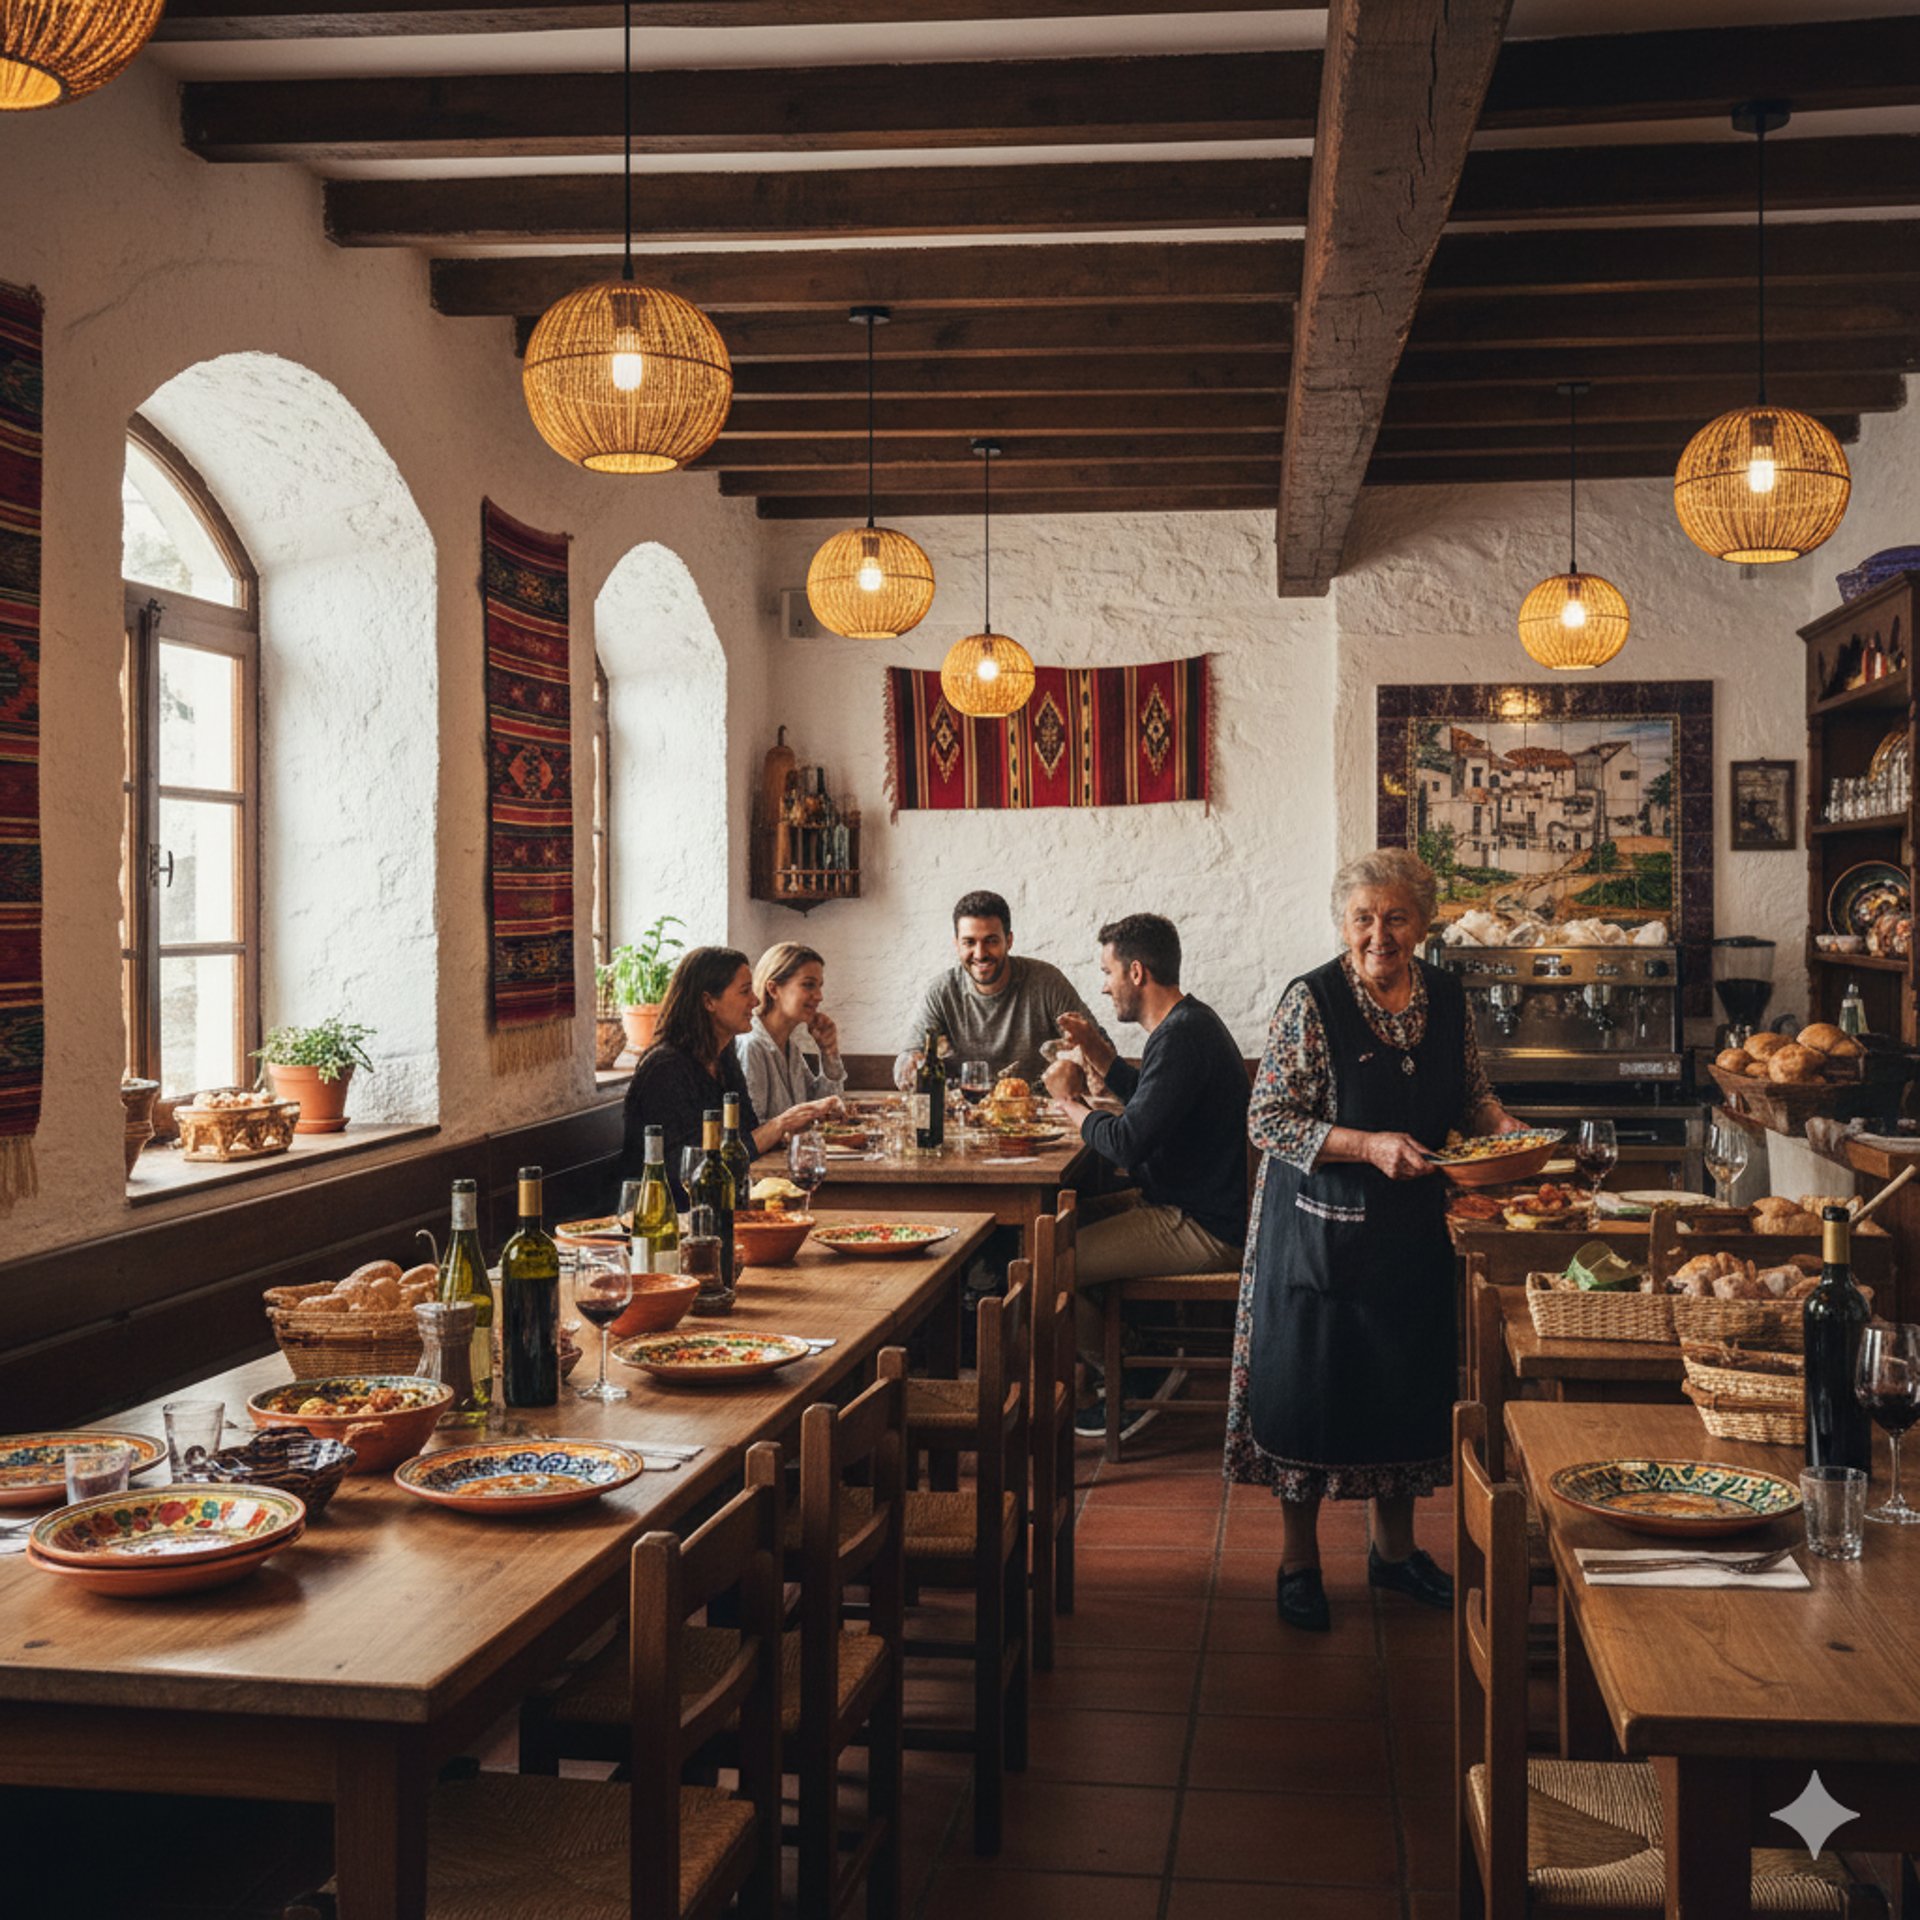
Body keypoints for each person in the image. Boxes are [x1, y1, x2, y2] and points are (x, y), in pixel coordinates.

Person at [1223, 849, 1525, 1634]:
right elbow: (1268, 1119)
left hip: (1412, 1226)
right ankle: (1298, 1563)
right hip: (1316, 1230)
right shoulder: (1312, 1002)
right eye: (1363, 918)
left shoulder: (1449, 997)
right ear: (1342, 923)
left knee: (1403, 1382)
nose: (1379, 935)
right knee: (1310, 1391)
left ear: (1423, 923)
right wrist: (1367, 1145)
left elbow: (1471, 1092)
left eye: (1395, 917)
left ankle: (1394, 1553)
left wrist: (1502, 1126)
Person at [1042, 914, 1249, 1442]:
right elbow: (1151, 1100)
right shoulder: (1185, 1025)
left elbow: (1128, 1141)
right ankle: (1139, 1354)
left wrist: (1067, 1102)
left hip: (1203, 1225)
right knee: (1053, 1228)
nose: (1103, 984)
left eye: (1107, 971)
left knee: (1048, 1268)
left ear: (1136, 972)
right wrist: (1099, 1053)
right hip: (1183, 1203)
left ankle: (1133, 1370)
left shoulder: (1182, 1037)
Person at [623, 945, 841, 1199]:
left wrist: (780, 1127)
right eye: (745, 991)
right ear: (708, 1001)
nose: (756, 1001)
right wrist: (782, 1124)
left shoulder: (724, 1056)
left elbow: (745, 1135)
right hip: (668, 1212)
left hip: (720, 1198)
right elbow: (688, 1167)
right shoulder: (665, 1068)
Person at [897, 888, 1110, 1089]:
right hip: (963, 1115)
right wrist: (911, 1065)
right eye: (969, 942)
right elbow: (907, 1060)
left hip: (1041, 1117)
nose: (980, 954)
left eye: (991, 941)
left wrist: (1075, 1059)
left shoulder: (1046, 982)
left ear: (1009, 941)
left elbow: (1101, 1049)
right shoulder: (941, 992)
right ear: (957, 944)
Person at [736, 942, 848, 1120]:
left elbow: (825, 1112)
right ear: (773, 989)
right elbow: (751, 1131)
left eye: (820, 986)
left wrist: (829, 1052)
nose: (819, 996)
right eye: (809, 985)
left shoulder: (790, 1048)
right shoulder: (752, 1046)